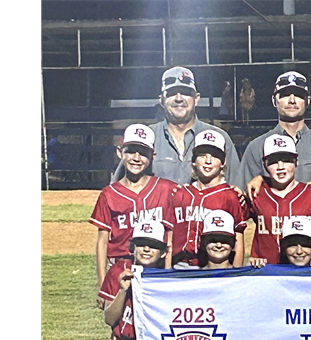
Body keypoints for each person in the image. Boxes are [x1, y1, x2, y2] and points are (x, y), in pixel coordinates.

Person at [240, 70, 311, 264]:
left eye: (299, 95)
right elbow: (244, 199)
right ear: (274, 100)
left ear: (309, 100)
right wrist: (262, 178)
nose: (292, 100)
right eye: (285, 95)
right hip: (270, 254)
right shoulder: (256, 146)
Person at [111, 66, 242, 189]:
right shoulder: (144, 138)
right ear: (161, 100)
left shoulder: (219, 137)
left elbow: (236, 188)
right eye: (172, 93)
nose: (179, 98)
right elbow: (118, 189)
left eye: (185, 92)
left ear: (196, 98)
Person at [90, 124, 176, 300]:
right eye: (131, 151)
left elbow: (171, 237)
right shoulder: (109, 194)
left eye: (143, 153)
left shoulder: (167, 189)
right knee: (122, 325)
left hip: (155, 269)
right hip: (121, 269)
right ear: (120, 152)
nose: (137, 158)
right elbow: (102, 242)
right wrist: (102, 284)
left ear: (153, 156)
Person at [248, 134, 311, 268]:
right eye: (274, 161)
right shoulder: (256, 193)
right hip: (264, 271)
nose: (280, 166)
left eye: (287, 160)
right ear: (264, 164)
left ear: (296, 161)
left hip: (302, 270)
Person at [169, 129, 247, 269]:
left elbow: (238, 240)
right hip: (179, 265)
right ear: (193, 161)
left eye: (215, 156)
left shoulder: (229, 195)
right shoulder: (181, 193)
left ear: (223, 162)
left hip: (210, 266)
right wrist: (166, 271)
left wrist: (236, 275)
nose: (208, 161)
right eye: (202, 155)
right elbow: (169, 236)